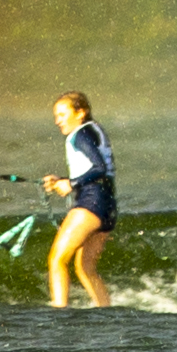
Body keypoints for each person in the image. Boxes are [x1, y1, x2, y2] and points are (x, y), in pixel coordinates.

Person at [38, 92, 117, 309]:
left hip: (91, 202)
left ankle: (58, 312)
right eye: (56, 116)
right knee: (85, 268)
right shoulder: (94, 131)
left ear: (80, 113)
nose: (58, 120)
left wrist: (71, 184)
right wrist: (63, 181)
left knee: (57, 260)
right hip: (107, 206)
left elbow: (98, 168)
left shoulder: (81, 135)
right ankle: (105, 311)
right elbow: (97, 170)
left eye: (63, 114)